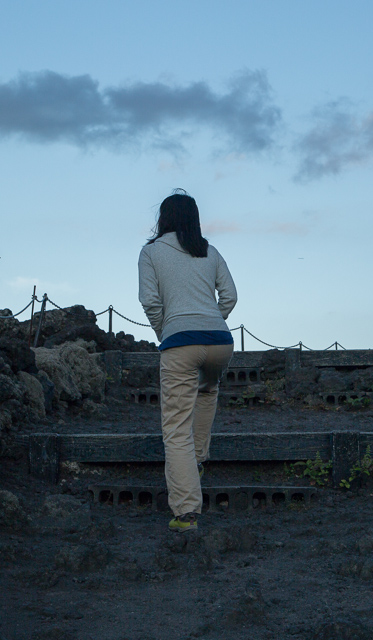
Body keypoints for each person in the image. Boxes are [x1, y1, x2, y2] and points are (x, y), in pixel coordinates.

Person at [138, 190, 237, 532]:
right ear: (194, 219)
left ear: (162, 218)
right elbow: (231, 296)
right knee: (208, 390)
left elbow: (150, 302)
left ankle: (186, 514)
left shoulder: (151, 252)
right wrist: (212, 319)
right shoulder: (210, 251)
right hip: (221, 342)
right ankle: (197, 462)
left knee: (175, 429)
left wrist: (167, 331)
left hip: (180, 343)